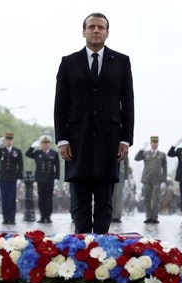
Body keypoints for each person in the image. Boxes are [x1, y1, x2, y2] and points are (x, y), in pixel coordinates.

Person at [54, 12, 134, 234]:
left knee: (104, 203)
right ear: (84, 32)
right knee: (79, 204)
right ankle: (80, 253)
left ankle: (102, 254)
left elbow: (128, 103)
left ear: (107, 33)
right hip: (76, 143)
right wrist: (61, 139)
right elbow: (60, 104)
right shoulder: (69, 63)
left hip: (109, 141)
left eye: (101, 27)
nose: (96, 30)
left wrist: (126, 139)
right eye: (91, 27)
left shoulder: (121, 62)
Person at [0, 132, 23, 225]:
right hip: (3, 178)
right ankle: (5, 218)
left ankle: (12, 218)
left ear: (12, 141)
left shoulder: (17, 151)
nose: (8, 141)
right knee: (4, 199)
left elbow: (21, 166)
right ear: (5, 141)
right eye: (7, 140)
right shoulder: (1, 151)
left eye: (10, 139)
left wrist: (19, 178)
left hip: (13, 178)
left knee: (12, 198)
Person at [26, 135, 60, 223]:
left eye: (47, 143)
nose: (45, 145)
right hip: (40, 179)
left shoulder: (54, 153)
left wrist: (57, 177)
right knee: (41, 198)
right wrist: (32, 146)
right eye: (43, 143)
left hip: (50, 178)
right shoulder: (38, 153)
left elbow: (57, 166)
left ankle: (48, 216)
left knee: (49, 198)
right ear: (41, 144)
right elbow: (28, 154)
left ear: (49, 144)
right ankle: (42, 216)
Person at [134, 136, 167, 224]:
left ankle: (155, 217)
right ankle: (148, 217)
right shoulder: (145, 153)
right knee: (147, 199)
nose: (154, 145)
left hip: (157, 180)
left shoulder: (162, 155)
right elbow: (136, 158)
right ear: (151, 144)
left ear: (158, 144)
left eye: (156, 143)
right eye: (153, 143)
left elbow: (164, 168)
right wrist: (141, 150)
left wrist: (164, 180)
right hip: (146, 179)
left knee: (156, 199)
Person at [111, 157, 129, 223]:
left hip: (120, 175)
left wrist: (126, 178)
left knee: (118, 196)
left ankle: (117, 216)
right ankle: (111, 215)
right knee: (111, 196)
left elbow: (126, 165)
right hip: (110, 173)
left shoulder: (123, 148)